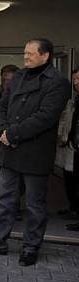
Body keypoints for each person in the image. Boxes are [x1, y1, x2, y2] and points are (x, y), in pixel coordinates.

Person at [0, 38, 71, 266]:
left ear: (45, 56)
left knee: (35, 204)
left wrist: (13, 134)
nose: (25, 57)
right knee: (6, 199)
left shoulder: (58, 82)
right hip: (10, 150)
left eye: (30, 53)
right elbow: (1, 106)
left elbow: (45, 116)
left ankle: (30, 246)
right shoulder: (19, 77)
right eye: (24, 53)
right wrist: (2, 131)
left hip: (35, 153)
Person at [0, 64, 20, 217]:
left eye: (11, 80)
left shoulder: (21, 97)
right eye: (5, 79)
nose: (8, 83)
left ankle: (14, 210)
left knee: (14, 180)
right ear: (1, 80)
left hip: (15, 143)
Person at [65, 67, 79, 230]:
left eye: (78, 79)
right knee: (72, 179)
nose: (75, 82)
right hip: (73, 147)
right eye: (74, 79)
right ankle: (74, 210)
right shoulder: (75, 100)